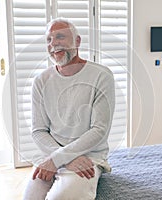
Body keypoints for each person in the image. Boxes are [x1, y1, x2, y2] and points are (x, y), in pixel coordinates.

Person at [23, 18, 115, 200]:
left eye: (60, 36)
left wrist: (60, 158)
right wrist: (61, 158)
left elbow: (99, 130)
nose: (53, 44)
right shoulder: (41, 81)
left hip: (89, 157)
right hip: (53, 154)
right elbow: (39, 130)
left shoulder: (101, 76)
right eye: (48, 39)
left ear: (77, 41)